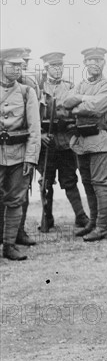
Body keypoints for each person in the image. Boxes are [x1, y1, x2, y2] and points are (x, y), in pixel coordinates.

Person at [64, 47, 107, 242]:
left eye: (98, 60)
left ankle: (102, 227)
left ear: (104, 63)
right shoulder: (80, 85)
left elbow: (97, 107)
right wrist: (82, 99)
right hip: (80, 141)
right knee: (86, 182)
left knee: (100, 183)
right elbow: (66, 102)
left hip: (98, 138)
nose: (94, 63)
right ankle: (92, 222)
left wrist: (78, 104)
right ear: (85, 63)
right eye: (90, 60)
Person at [37, 51, 89, 230]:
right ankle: (47, 217)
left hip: (66, 140)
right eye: (54, 66)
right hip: (46, 142)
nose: (58, 69)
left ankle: (80, 216)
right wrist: (40, 135)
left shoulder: (70, 87)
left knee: (70, 180)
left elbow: (78, 109)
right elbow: (31, 115)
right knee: (46, 181)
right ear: (46, 68)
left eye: (60, 66)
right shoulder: (38, 88)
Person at [0, 47, 41, 260]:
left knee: (15, 200)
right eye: (11, 65)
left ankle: (9, 245)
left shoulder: (27, 92)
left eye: (19, 65)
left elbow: (35, 129)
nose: (17, 69)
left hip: (19, 154)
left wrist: (31, 158)